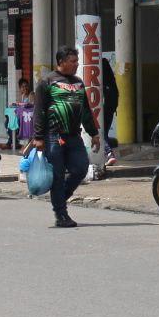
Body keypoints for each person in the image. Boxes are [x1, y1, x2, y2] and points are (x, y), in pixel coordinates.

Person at [34, 46, 101, 227]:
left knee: (81, 168)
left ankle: (60, 197)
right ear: (61, 62)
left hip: (73, 136)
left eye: (77, 60)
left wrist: (94, 133)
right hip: (53, 136)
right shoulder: (47, 82)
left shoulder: (79, 83)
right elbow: (38, 111)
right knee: (57, 174)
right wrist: (38, 137)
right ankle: (61, 214)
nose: (76, 64)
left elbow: (86, 111)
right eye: (73, 61)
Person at [100, 57, 119, 168]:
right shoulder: (112, 83)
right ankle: (107, 154)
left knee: (99, 133)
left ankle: (109, 153)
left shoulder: (99, 84)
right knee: (104, 133)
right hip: (110, 110)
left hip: (102, 110)